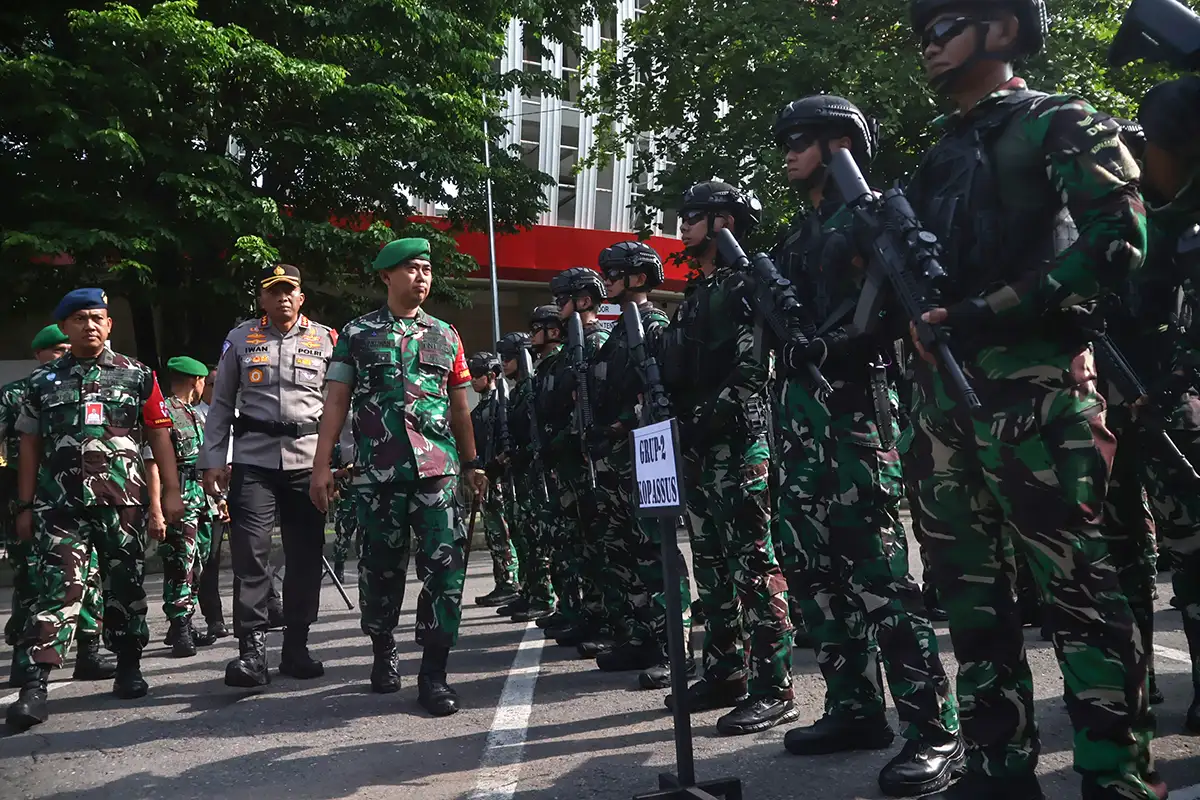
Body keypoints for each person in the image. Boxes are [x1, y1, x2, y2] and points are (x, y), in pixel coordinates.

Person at [903, 1, 1159, 797]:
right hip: (947, 401)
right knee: (971, 603)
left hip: (1039, 390)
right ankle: (997, 767)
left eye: (944, 25)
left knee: (1079, 596)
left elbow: (1118, 238)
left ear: (1005, 27)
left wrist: (989, 310)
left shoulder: (1059, 121)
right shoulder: (939, 157)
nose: (928, 44)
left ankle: (1114, 775)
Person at [768, 94, 964, 797]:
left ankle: (932, 729)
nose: (787, 149)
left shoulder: (872, 215)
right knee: (815, 575)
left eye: (800, 138)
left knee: (879, 577)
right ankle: (854, 709)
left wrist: (840, 341)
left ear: (838, 142)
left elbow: (903, 303)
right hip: (801, 420)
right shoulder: (801, 234)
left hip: (857, 412)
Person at [310, 237, 484, 716]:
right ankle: (383, 646)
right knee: (381, 570)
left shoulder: (446, 335)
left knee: (445, 573)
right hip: (376, 475)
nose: (422, 277)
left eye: (427, 269)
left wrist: (472, 464)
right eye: (411, 269)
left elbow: (460, 406)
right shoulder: (357, 333)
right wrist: (322, 466)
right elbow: (337, 403)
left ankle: (434, 674)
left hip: (437, 473)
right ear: (386, 276)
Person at [6, 289, 184, 731]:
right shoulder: (41, 383)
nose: (90, 325)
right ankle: (35, 685)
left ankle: (128, 665)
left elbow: (159, 435)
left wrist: (171, 493)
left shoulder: (137, 374)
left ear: (109, 325)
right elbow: (29, 446)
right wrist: (25, 505)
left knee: (125, 585)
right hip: (59, 504)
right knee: (58, 588)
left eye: (98, 318)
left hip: (121, 501)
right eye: (81, 318)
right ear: (64, 326)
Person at [659, 181, 797, 735]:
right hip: (702, 445)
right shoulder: (700, 293)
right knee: (714, 567)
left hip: (737, 443)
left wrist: (700, 422)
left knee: (754, 568)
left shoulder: (746, 285)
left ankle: (774, 687)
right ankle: (725, 672)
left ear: (724, 222)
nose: (683, 224)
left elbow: (750, 371)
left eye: (694, 216)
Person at [200, 263, 335, 688]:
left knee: (304, 557)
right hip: (254, 462)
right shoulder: (241, 339)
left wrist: (337, 461)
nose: (282, 298)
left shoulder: (327, 339)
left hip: (309, 464)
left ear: (301, 297)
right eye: (273, 291)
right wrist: (213, 458)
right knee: (250, 556)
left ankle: (297, 646)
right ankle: (252, 653)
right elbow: (221, 404)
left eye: (289, 291)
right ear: (262, 298)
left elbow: (338, 405)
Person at [1124, 75, 1200, 730]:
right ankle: (1132, 688)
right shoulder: (1138, 224)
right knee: (1127, 561)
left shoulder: (1183, 228)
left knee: (1196, 558)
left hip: (1176, 410)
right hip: (1127, 405)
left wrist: (1169, 392)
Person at [590, 241, 694, 688]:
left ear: (637, 277)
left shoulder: (651, 324)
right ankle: (644, 636)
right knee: (626, 550)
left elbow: (659, 389)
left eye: (613, 272)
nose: (606, 280)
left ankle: (677, 648)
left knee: (657, 549)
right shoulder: (619, 330)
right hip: (619, 456)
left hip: (645, 452)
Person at [1, 325, 115, 688]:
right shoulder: (17, 393)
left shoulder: (83, 384)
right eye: (56, 349)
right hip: (29, 497)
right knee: (34, 578)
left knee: (87, 575)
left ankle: (88, 650)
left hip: (76, 497)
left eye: (66, 347)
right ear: (39, 353)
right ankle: (25, 655)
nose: (63, 353)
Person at [543, 268, 616, 654]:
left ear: (584, 301)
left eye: (563, 299)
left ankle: (607, 618)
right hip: (575, 455)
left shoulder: (597, 340)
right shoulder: (574, 345)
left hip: (597, 457)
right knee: (583, 541)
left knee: (601, 540)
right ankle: (592, 612)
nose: (559, 307)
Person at [153, 356, 219, 657]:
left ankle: (185, 620)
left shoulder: (196, 415)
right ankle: (180, 626)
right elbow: (151, 462)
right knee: (181, 563)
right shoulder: (162, 412)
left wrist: (218, 498)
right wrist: (161, 501)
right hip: (178, 497)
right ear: (196, 381)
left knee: (199, 560)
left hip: (202, 498)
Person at [495, 331, 556, 620]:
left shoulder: (532, 387)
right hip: (522, 474)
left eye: (509, 357)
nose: (505, 363)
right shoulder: (518, 390)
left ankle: (544, 596)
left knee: (538, 537)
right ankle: (530, 591)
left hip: (536, 472)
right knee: (524, 535)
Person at [468, 351, 522, 607]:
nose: (472, 380)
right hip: (486, 476)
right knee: (493, 533)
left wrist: (495, 466)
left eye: (476, 375)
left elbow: (507, 441)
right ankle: (504, 581)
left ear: (490, 375)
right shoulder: (482, 407)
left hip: (500, 478)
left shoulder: (501, 402)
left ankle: (509, 581)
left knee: (502, 532)